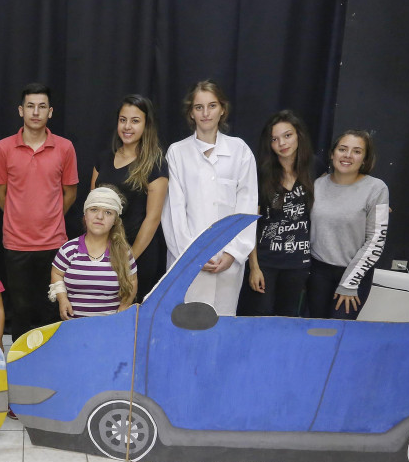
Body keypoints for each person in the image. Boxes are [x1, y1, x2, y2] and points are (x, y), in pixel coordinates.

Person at [161, 80, 257, 316]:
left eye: (212, 106)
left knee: (222, 323)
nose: (206, 113)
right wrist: (192, 255)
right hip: (187, 261)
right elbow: (174, 211)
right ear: (191, 113)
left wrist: (233, 252)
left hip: (228, 262)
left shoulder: (240, 151)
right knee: (185, 324)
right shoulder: (177, 152)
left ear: (222, 109)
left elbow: (247, 205)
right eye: (199, 107)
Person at [0, 83, 78, 338]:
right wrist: (19, 216)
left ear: (50, 112)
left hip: (54, 243)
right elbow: (0, 194)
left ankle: (50, 359)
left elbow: (70, 194)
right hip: (17, 244)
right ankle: (21, 359)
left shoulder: (65, 148)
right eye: (30, 106)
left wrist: (50, 216)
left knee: (51, 310)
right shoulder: (3, 148)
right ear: (21, 110)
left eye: (42, 107)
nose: (36, 112)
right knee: (21, 310)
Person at [238, 110, 321, 317]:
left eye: (287, 135)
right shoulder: (261, 173)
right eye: (274, 139)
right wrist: (254, 267)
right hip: (265, 262)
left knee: (288, 318)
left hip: (298, 264)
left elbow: (340, 191)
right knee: (260, 316)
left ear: (299, 135)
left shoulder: (315, 167)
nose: (282, 143)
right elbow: (250, 223)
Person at [92, 94, 168, 301]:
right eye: (123, 120)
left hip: (137, 254)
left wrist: (128, 261)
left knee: (132, 314)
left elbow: (153, 219)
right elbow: (92, 206)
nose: (127, 126)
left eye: (135, 121)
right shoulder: (104, 158)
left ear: (146, 125)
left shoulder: (155, 164)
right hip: (102, 252)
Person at [307, 130, 389, 320]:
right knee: (315, 329)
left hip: (354, 274)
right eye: (342, 149)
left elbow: (376, 240)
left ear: (365, 159)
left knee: (338, 331)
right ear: (332, 153)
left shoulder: (377, 189)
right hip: (317, 274)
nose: (348, 155)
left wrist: (349, 283)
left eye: (357, 151)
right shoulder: (316, 185)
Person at [49, 187, 137, 319]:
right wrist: (62, 299)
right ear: (85, 215)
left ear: (115, 220)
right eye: (94, 209)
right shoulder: (69, 249)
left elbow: (132, 281)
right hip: (74, 326)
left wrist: (124, 307)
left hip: (110, 326)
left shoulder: (123, 252)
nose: (100, 217)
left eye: (108, 212)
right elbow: (56, 274)